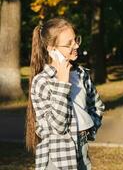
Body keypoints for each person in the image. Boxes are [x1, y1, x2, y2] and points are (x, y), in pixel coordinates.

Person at [26, 17, 105, 170]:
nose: (76, 45)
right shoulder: (42, 81)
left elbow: (97, 105)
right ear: (51, 48)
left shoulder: (81, 73)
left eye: (76, 40)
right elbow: (59, 126)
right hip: (58, 157)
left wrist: (90, 128)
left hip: (82, 147)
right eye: (69, 43)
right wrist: (62, 84)